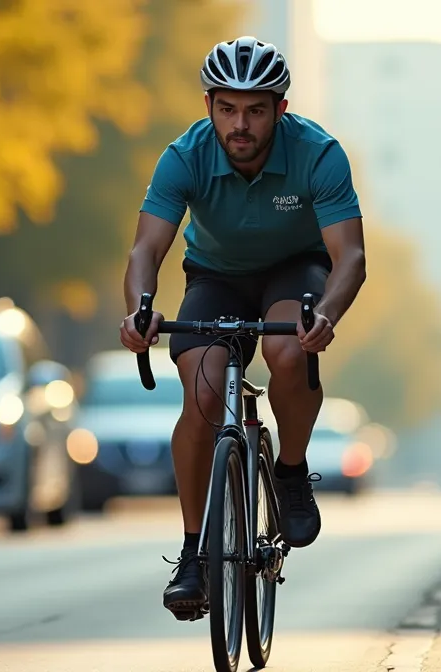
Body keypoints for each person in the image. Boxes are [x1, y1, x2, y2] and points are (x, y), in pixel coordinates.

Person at [117, 36, 367, 619]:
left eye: (256, 110)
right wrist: (141, 307)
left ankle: (290, 470)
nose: (240, 124)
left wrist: (326, 313)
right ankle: (191, 555)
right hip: (216, 275)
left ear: (280, 109)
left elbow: (350, 255)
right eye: (227, 108)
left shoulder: (318, 153)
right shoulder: (184, 155)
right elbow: (144, 250)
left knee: (286, 353)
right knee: (203, 392)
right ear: (209, 106)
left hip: (294, 270)